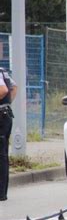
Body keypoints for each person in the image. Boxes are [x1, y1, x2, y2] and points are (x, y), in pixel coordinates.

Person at [0, 67, 17, 201]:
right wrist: (7, 103)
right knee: (2, 156)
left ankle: (1, 193)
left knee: (1, 156)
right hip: (5, 115)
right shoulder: (2, 71)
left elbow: (4, 89)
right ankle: (2, 192)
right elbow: (13, 87)